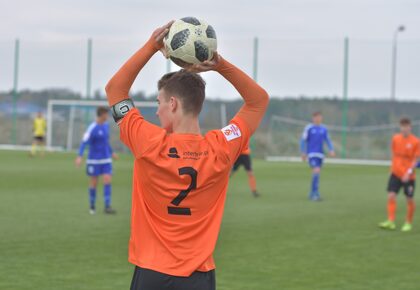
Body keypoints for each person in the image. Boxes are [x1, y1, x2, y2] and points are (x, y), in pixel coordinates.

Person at [105, 21, 269, 290]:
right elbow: (258, 100)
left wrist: (151, 46)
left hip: (152, 274)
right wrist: (219, 64)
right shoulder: (221, 148)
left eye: (159, 103)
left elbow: (115, 90)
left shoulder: (147, 142)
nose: (157, 111)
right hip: (198, 276)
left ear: (173, 103)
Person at [379, 118, 420, 232]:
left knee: (409, 199)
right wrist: (391, 170)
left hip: (408, 176)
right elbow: (395, 156)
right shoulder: (395, 139)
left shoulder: (416, 141)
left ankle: (408, 223)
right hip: (396, 174)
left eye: (406, 126)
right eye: (402, 126)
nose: (404, 129)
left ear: (410, 127)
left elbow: (416, 160)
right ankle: (391, 221)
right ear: (400, 127)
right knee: (391, 195)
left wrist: (408, 173)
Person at [75, 106, 117, 215]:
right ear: (102, 114)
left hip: (106, 159)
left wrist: (111, 152)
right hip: (94, 160)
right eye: (106, 114)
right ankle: (92, 205)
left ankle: (107, 206)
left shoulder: (106, 126)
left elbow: (106, 142)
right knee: (94, 183)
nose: (107, 116)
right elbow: (84, 142)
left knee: (107, 179)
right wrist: (80, 156)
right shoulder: (92, 128)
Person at [300, 111, 335, 201]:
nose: (318, 119)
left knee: (317, 173)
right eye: (316, 117)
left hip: (320, 154)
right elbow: (303, 140)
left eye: (319, 117)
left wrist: (331, 149)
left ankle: (313, 192)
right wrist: (303, 152)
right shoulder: (309, 128)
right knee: (316, 170)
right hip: (312, 154)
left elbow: (328, 140)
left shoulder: (324, 129)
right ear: (313, 118)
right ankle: (314, 194)